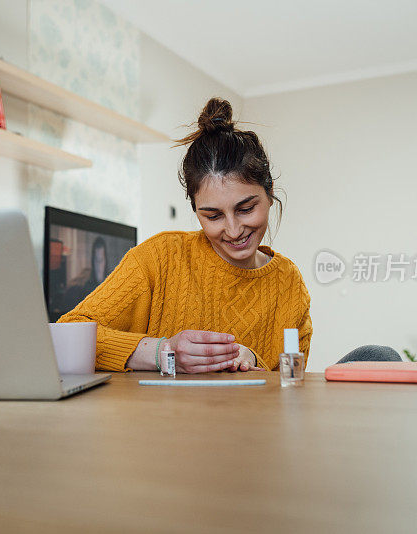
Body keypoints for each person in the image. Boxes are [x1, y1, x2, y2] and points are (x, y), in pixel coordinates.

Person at [58, 97, 312, 373]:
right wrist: (162, 352)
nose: (234, 230)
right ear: (195, 209)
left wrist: (250, 357)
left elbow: (289, 393)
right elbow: (68, 334)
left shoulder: (289, 285)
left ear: (270, 191)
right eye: (213, 216)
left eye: (246, 209)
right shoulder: (159, 258)